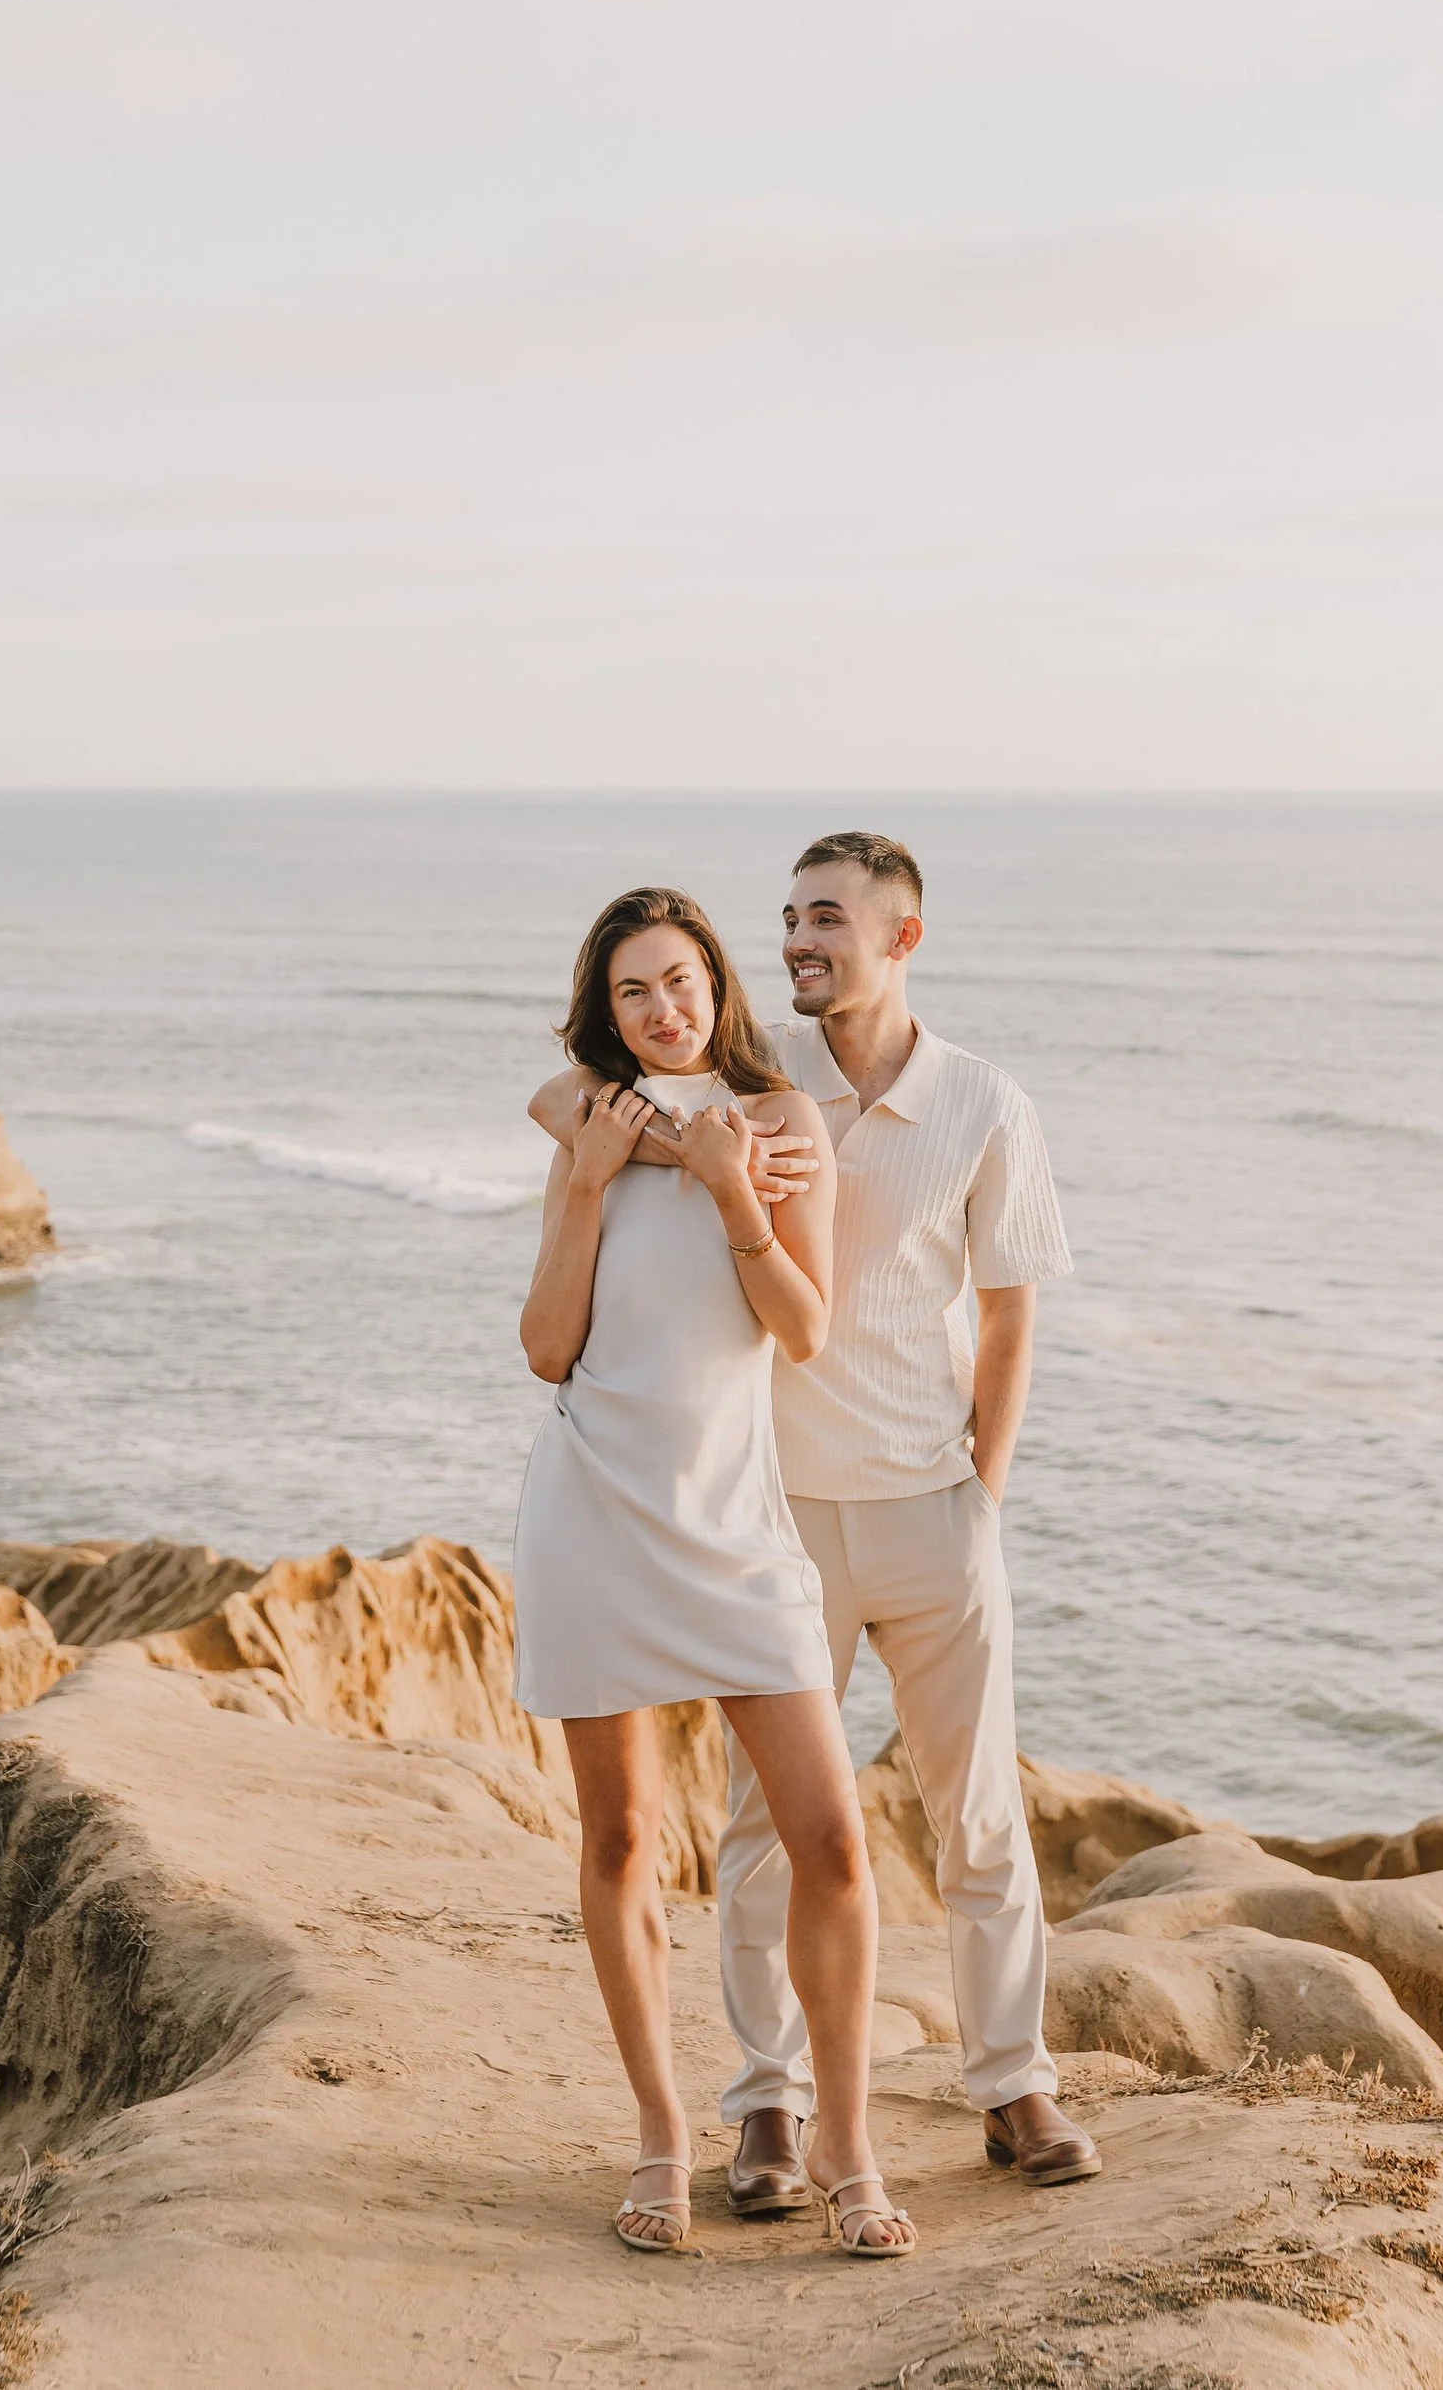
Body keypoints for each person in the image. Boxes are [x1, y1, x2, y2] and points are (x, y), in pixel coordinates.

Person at [529, 834, 1099, 2219]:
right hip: (758, 1508)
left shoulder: (961, 1103)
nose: (799, 940)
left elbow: (999, 1303)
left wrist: (989, 1479)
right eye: (786, 919)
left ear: (903, 937)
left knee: (968, 1816)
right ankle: (761, 2113)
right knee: (757, 1842)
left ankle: (1010, 2085)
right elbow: (568, 1100)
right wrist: (647, 1150)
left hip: (918, 1503)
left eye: (826, 920)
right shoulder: (742, 1078)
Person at [514, 884, 917, 2260]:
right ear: (607, 1011)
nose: (663, 1007)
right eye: (634, 990)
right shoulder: (587, 1120)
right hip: (594, 1514)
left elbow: (800, 1330)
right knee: (620, 1839)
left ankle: (847, 2147)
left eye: (680, 980)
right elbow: (546, 1349)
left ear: (718, 983)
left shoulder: (783, 1124)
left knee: (833, 1843)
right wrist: (586, 1177)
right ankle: (659, 2140)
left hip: (737, 1527)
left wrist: (734, 1188)